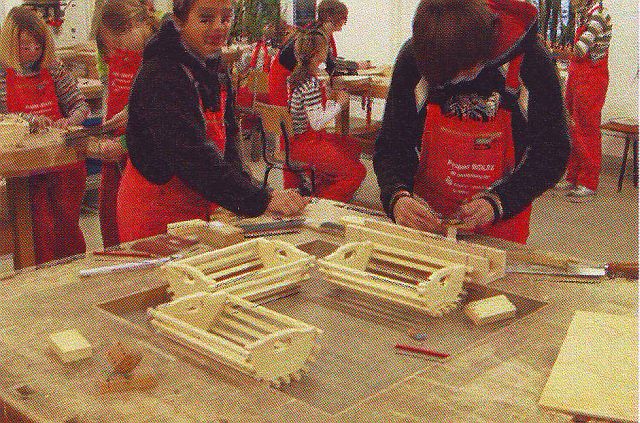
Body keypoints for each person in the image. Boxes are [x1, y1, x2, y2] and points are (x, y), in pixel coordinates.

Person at [373, 0, 570, 244]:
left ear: (483, 50)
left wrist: (499, 202)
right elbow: (393, 141)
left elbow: (552, 152)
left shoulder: (532, 64)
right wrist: (397, 195)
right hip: (427, 216)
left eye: (461, 73)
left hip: (501, 218)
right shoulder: (416, 56)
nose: (453, 83)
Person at [116, 0, 308, 242]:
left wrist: (258, 191)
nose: (219, 26)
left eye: (225, 18)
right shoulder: (161, 73)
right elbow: (192, 156)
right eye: (205, 19)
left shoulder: (215, 67)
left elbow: (229, 147)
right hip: (155, 210)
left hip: (198, 202)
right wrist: (259, 199)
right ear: (180, 21)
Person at [0, 6, 90, 263]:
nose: (33, 52)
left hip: (63, 162)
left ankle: (71, 274)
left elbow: (80, 105)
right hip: (27, 167)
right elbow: (4, 116)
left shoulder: (52, 67)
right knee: (38, 231)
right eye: (25, 47)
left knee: (66, 229)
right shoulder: (2, 73)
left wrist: (68, 121)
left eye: (38, 46)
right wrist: (29, 121)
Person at [93, 0, 159, 248]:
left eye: (118, 45)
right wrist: (125, 115)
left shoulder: (160, 54)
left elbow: (161, 117)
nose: (117, 54)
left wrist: (124, 142)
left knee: (142, 236)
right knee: (112, 223)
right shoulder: (125, 48)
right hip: (120, 148)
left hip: (149, 162)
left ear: (132, 26)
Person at [288, 30, 366, 202]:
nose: (328, 52)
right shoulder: (310, 83)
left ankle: (323, 187)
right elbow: (317, 123)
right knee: (358, 171)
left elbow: (314, 114)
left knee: (353, 146)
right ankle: (324, 202)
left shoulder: (298, 78)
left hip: (299, 141)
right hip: (307, 143)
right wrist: (340, 104)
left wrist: (330, 99)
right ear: (317, 55)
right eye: (326, 49)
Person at [556, 0, 611, 202]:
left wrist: (549, 51)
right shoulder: (585, 13)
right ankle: (573, 176)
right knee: (572, 127)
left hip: (591, 78)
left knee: (586, 129)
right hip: (577, 75)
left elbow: (580, 50)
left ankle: (588, 182)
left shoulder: (598, 16)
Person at [268, 0, 367, 107]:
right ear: (330, 17)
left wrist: (352, 66)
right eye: (343, 18)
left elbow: (331, 62)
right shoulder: (316, 35)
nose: (344, 21)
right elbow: (331, 65)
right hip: (284, 79)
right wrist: (355, 65)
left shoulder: (321, 32)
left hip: (290, 76)